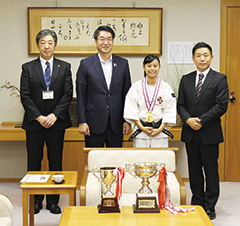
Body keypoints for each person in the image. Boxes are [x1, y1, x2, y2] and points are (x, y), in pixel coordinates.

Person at [20, 29, 73, 214]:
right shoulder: (27, 68)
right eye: (43, 42)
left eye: (50, 42)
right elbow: (25, 96)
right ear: (38, 45)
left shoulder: (64, 67)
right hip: (34, 123)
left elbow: (67, 94)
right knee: (34, 162)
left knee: (55, 162)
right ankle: (35, 201)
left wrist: (54, 115)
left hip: (56, 123)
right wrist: (39, 117)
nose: (46, 46)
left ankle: (52, 201)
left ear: (55, 45)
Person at [177, 42, 229, 220]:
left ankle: (210, 205)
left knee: (211, 170)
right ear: (193, 58)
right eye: (198, 55)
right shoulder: (186, 79)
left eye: (205, 55)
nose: (202, 58)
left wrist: (201, 120)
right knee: (194, 170)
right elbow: (181, 105)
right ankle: (197, 201)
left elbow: (221, 105)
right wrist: (188, 120)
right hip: (191, 133)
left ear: (211, 58)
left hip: (209, 132)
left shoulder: (220, 79)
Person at [76, 25, 131, 147]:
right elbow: (81, 95)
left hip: (116, 124)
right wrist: (82, 121)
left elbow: (127, 95)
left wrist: (127, 120)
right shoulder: (86, 64)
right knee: (94, 162)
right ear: (95, 41)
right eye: (102, 39)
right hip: (92, 123)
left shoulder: (123, 64)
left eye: (109, 39)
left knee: (116, 162)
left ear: (113, 41)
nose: (106, 42)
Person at [124, 55, 176, 147]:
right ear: (144, 67)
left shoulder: (165, 87)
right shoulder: (136, 87)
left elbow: (170, 109)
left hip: (160, 132)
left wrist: (160, 129)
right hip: (141, 132)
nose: (152, 68)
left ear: (159, 67)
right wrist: (142, 127)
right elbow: (131, 109)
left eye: (155, 66)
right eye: (149, 66)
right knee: (141, 160)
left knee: (160, 160)